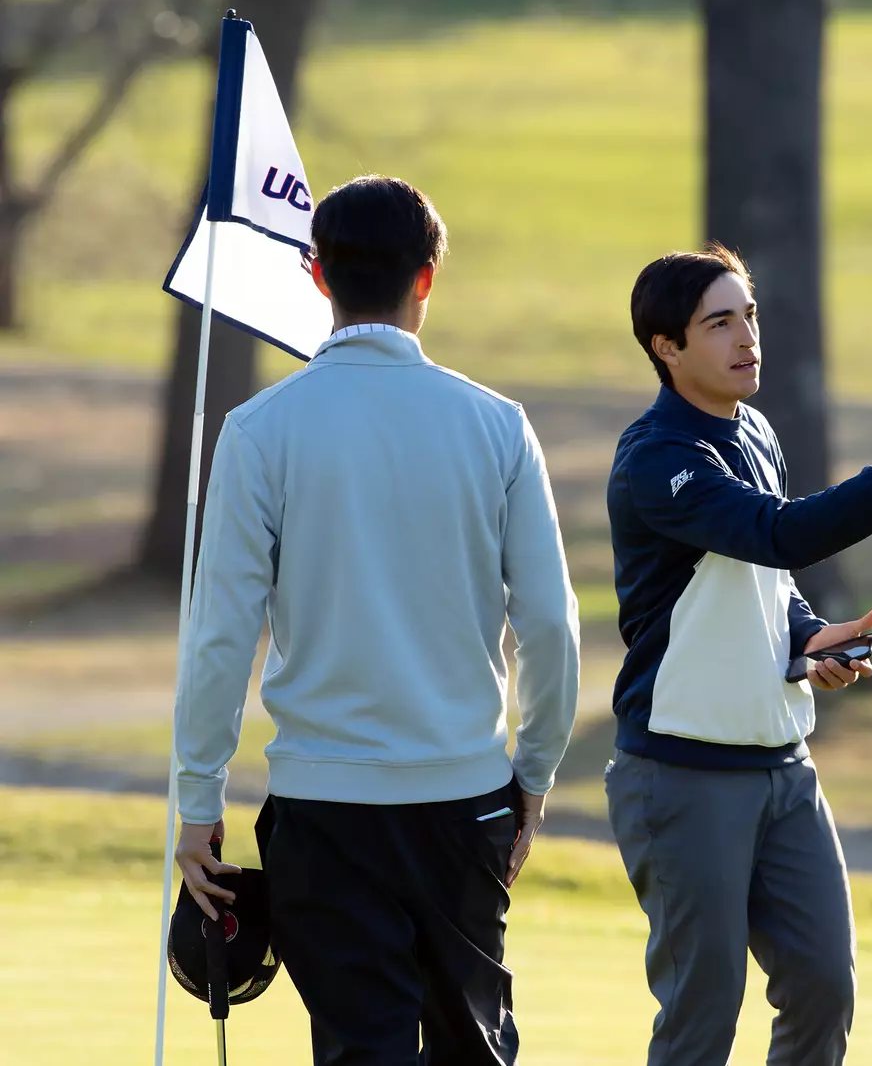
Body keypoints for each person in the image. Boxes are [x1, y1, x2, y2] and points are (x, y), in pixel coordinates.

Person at [172, 175, 581, 1065]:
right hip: (465, 802)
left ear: (317, 275)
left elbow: (219, 637)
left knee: (362, 1051)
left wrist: (197, 799)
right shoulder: (499, 426)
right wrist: (536, 773)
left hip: (324, 811)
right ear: (427, 278)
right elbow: (550, 624)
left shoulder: (259, 429)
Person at [605, 243, 872, 1066]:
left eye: (749, 316)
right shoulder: (657, 457)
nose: (747, 337)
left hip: (781, 763)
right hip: (681, 771)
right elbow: (777, 533)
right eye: (719, 324)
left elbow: (765, 575)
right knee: (702, 1016)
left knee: (822, 988)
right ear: (666, 347)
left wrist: (807, 638)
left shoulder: (756, 430)